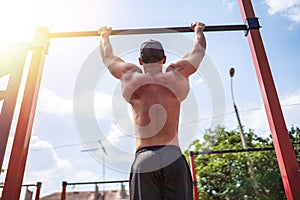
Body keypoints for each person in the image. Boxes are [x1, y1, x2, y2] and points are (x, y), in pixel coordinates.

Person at [98, 22, 206, 200]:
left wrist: (104, 36)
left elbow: (108, 57)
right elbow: (199, 51)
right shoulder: (176, 74)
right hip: (173, 155)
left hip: (145, 158)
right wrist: (198, 30)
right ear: (164, 58)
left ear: (140, 61)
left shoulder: (130, 75)